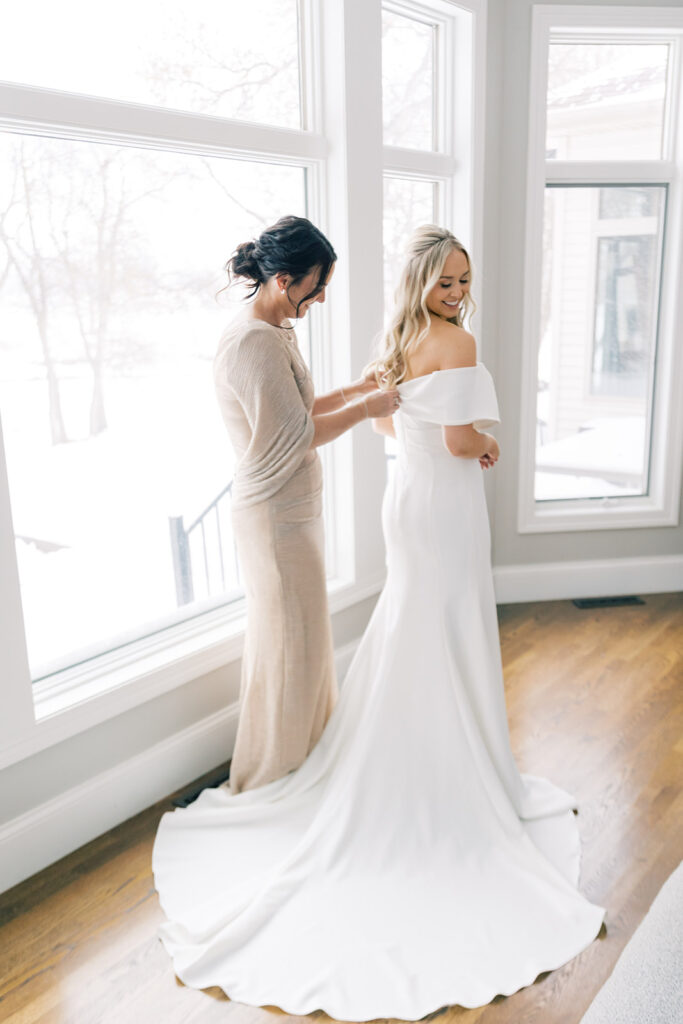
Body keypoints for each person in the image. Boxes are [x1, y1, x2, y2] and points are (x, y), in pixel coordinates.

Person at [152, 224, 606, 1019]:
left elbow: (394, 425)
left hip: (410, 500)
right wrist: (486, 444)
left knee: (413, 626)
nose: (460, 294)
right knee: (446, 627)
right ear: (425, 281)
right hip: (445, 506)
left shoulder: (395, 340)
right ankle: (447, 767)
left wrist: (406, 417)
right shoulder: (455, 347)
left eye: (465, 281)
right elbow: (458, 438)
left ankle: (407, 748)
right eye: (448, 282)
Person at [213, 215, 399, 794]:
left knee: (303, 638)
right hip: (274, 518)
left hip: (291, 511)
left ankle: (304, 754)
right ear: (284, 279)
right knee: (290, 646)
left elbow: (300, 409)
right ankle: (278, 774)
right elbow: (292, 437)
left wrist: (360, 388)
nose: (319, 299)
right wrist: (371, 409)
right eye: (315, 288)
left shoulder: (274, 333)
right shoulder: (253, 343)